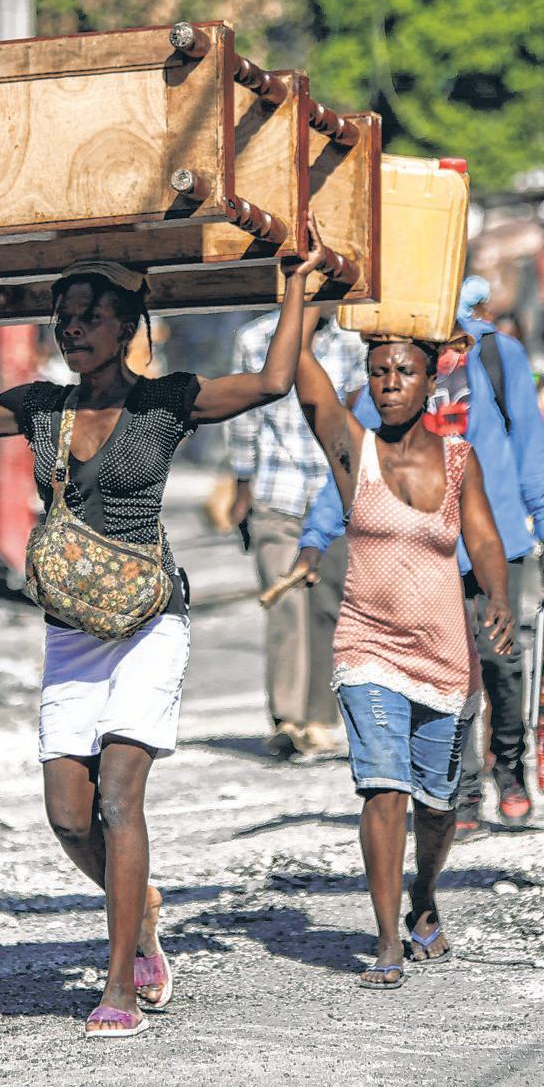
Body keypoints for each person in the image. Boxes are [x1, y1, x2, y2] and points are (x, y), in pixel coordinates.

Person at [0, 242, 330, 1039]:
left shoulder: (168, 402)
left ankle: (119, 980)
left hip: (151, 621)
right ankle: (140, 909)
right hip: (72, 632)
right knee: (66, 813)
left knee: (120, 798)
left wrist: (294, 286)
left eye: (90, 316)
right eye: (64, 317)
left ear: (127, 326)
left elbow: (268, 381)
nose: (71, 328)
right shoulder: (39, 409)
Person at [291, 277, 544, 833]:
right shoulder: (393, 366)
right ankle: (461, 791)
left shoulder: (496, 355)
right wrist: (316, 536)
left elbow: (532, 440)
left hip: (498, 534)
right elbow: (353, 461)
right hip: (427, 547)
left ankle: (508, 767)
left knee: (500, 660)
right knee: (451, 670)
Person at [292, 327, 516, 987]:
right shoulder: (352, 452)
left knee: (437, 801)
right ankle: (387, 937)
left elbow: (483, 536)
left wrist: (497, 596)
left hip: (444, 653)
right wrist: (300, 291)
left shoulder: (456, 460)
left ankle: (422, 895)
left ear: (429, 382)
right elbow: (305, 383)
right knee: (383, 787)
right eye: (380, 372)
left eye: (404, 372)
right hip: (367, 644)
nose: (390, 384)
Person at [226, 309, 366, 759]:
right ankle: (287, 717)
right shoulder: (255, 339)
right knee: (285, 603)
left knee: (330, 606)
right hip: (277, 492)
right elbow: (243, 419)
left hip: (335, 492)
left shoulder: (356, 341)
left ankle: (320, 717)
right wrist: (242, 484)